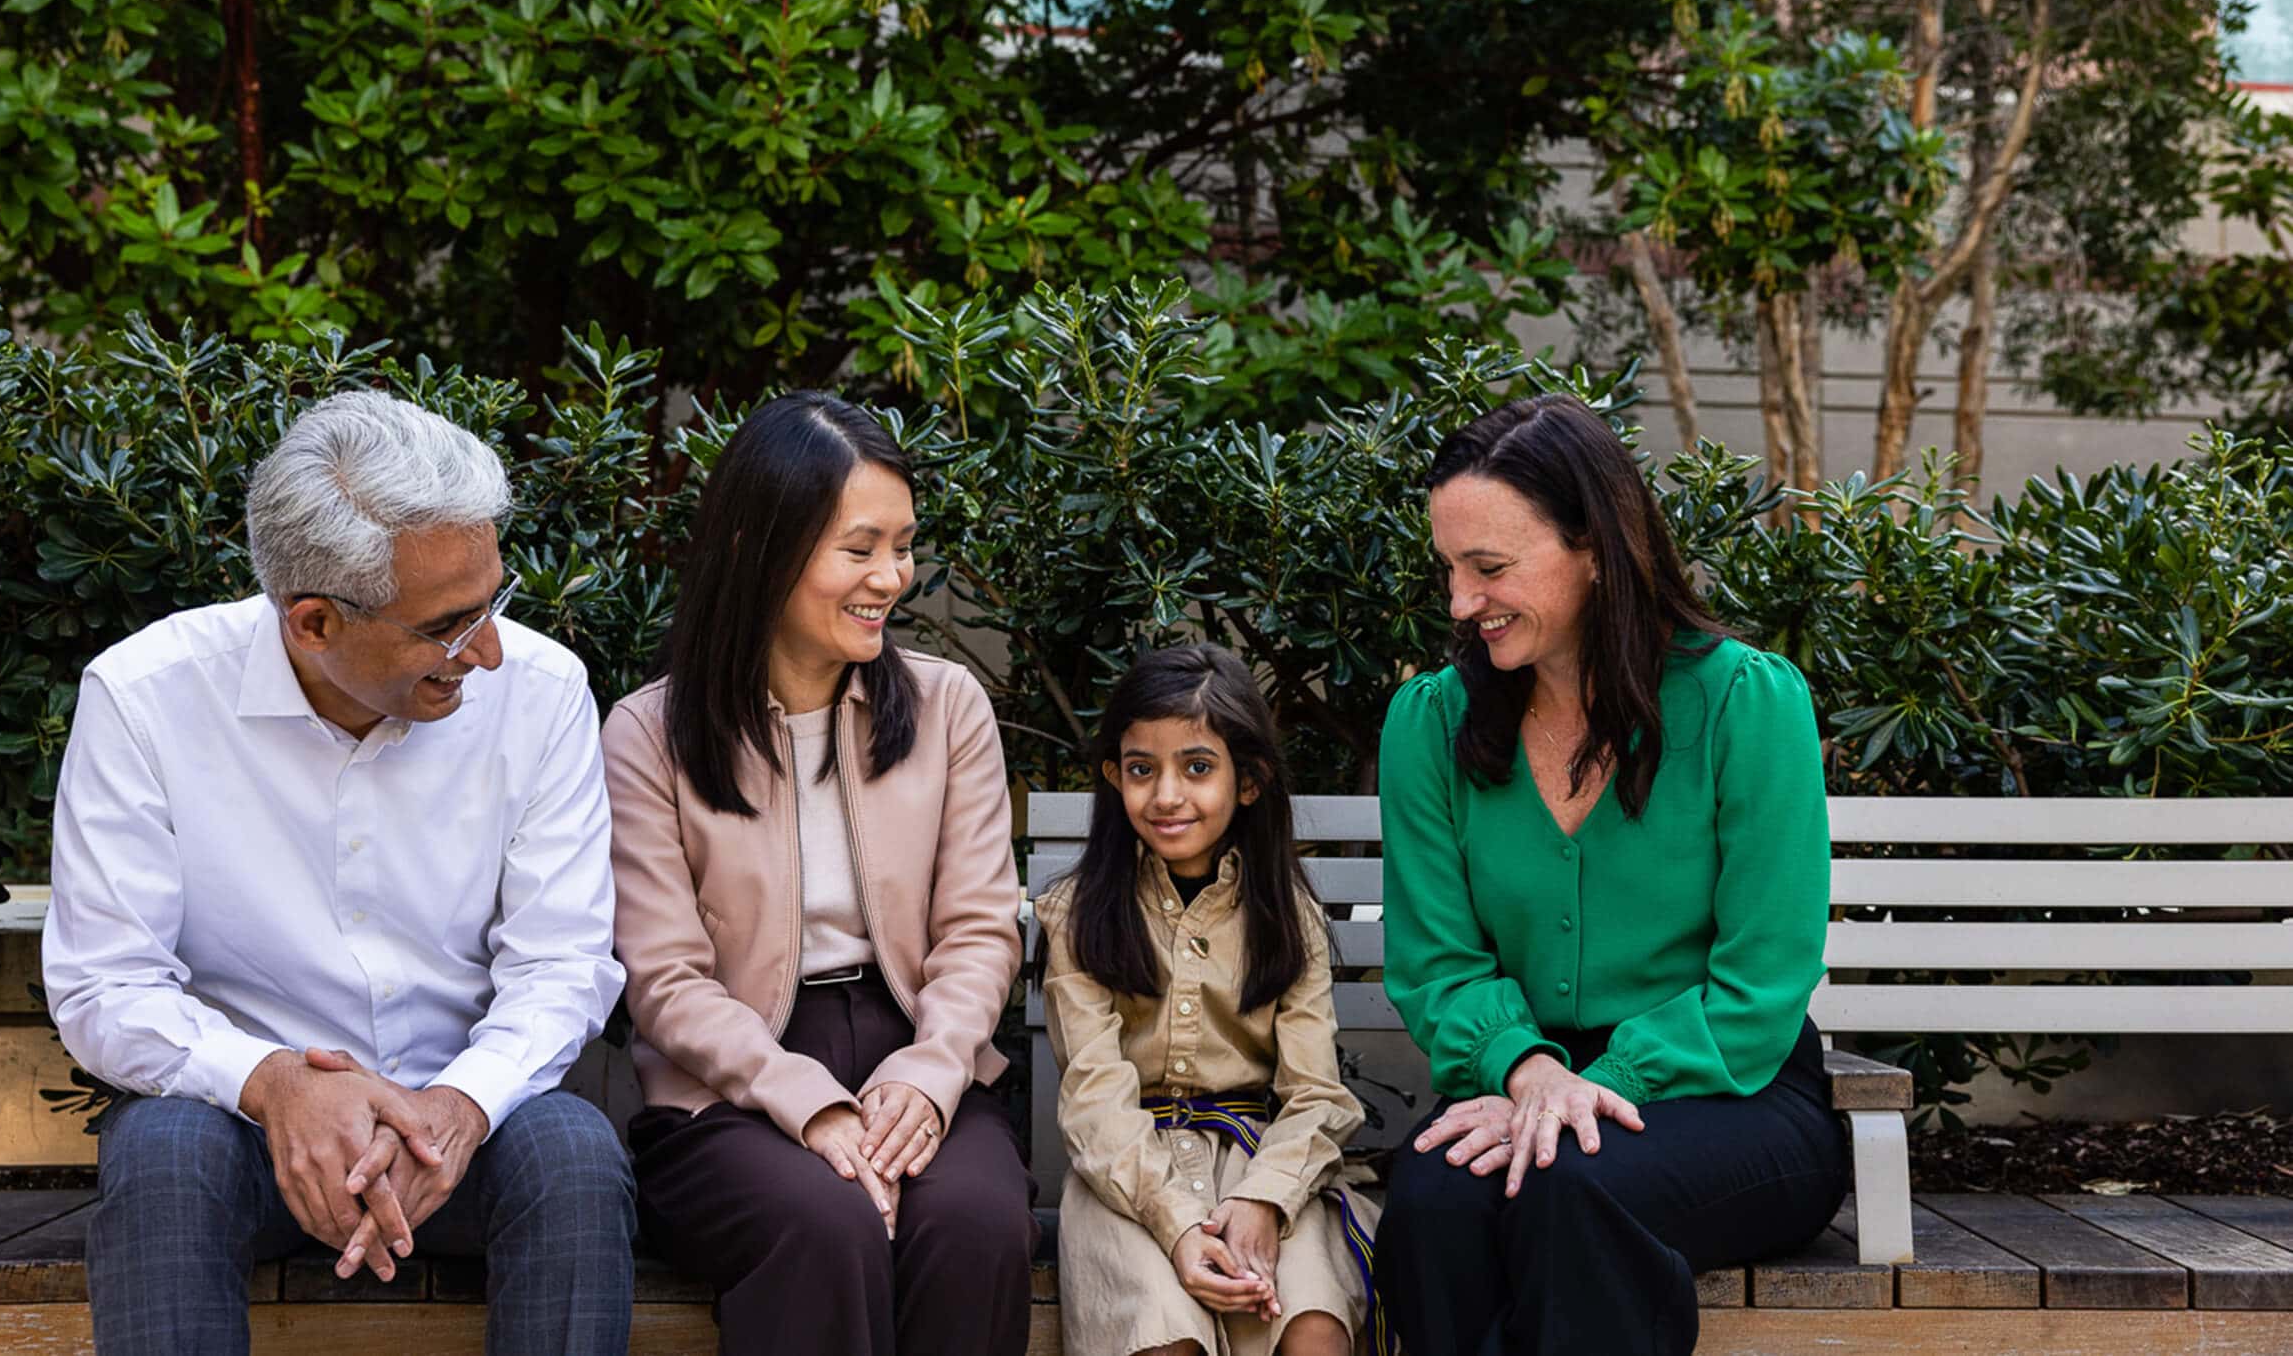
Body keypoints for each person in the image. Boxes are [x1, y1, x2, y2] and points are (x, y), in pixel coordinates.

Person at [42, 390, 633, 1356]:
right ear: (312, 622)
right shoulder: (145, 697)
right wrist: (274, 1083)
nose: (485, 651)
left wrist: (458, 1104)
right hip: (247, 1136)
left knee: (571, 1151)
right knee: (160, 1153)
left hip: (463, 1125)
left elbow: (561, 964)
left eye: (495, 602)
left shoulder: (541, 689)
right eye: (447, 625)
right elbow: (106, 983)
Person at [1372, 393, 1846, 1356]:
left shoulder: (1746, 705)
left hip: (1736, 1098)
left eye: (1490, 567)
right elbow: (1437, 964)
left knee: (1572, 1185)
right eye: (1450, 570)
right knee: (1431, 1201)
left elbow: (1764, 980)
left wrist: (1598, 1083)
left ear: (1594, 545)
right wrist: (1534, 1070)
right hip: (1520, 1076)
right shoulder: (1428, 724)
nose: (1462, 603)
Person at [603, 390, 1035, 1356]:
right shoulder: (648, 735)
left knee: (975, 1226)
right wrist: (809, 1102)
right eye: (859, 548)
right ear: (763, 546)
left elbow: (978, 930)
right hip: (728, 1085)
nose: (891, 576)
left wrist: (930, 1075)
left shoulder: (946, 705)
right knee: (824, 1221)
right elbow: (666, 980)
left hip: (919, 1050)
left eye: (904, 544)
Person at [1037, 644, 1383, 1356]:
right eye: (1141, 769)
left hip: (1264, 1162)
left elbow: (1316, 1093)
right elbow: (1095, 1099)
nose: (1167, 795)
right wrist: (1180, 1224)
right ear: (1113, 775)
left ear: (1248, 780)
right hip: (1127, 1178)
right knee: (1166, 1335)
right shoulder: (1079, 914)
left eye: (1197, 766)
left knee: (1310, 1325)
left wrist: (1263, 1199)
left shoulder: (1288, 915)